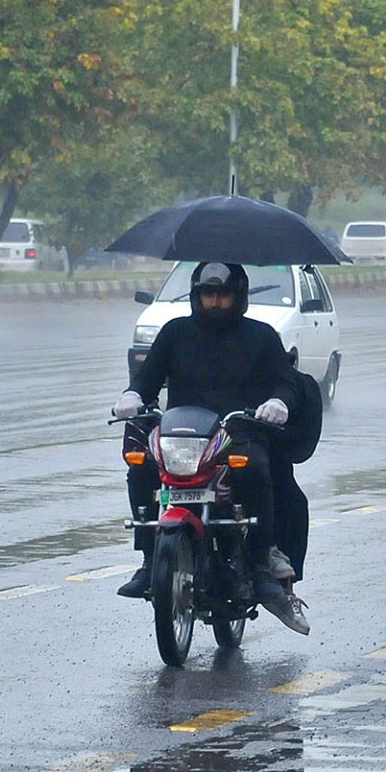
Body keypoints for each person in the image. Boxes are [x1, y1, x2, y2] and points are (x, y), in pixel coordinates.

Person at [112, 261, 310, 635]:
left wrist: (279, 402)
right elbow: (148, 376)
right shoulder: (174, 333)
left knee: (254, 468)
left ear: (239, 297)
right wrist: (133, 394)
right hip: (183, 435)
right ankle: (149, 557)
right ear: (196, 295)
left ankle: (260, 564)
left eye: (223, 295)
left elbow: (286, 382)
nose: (215, 302)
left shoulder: (262, 336)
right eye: (208, 294)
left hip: (240, 431)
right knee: (141, 467)